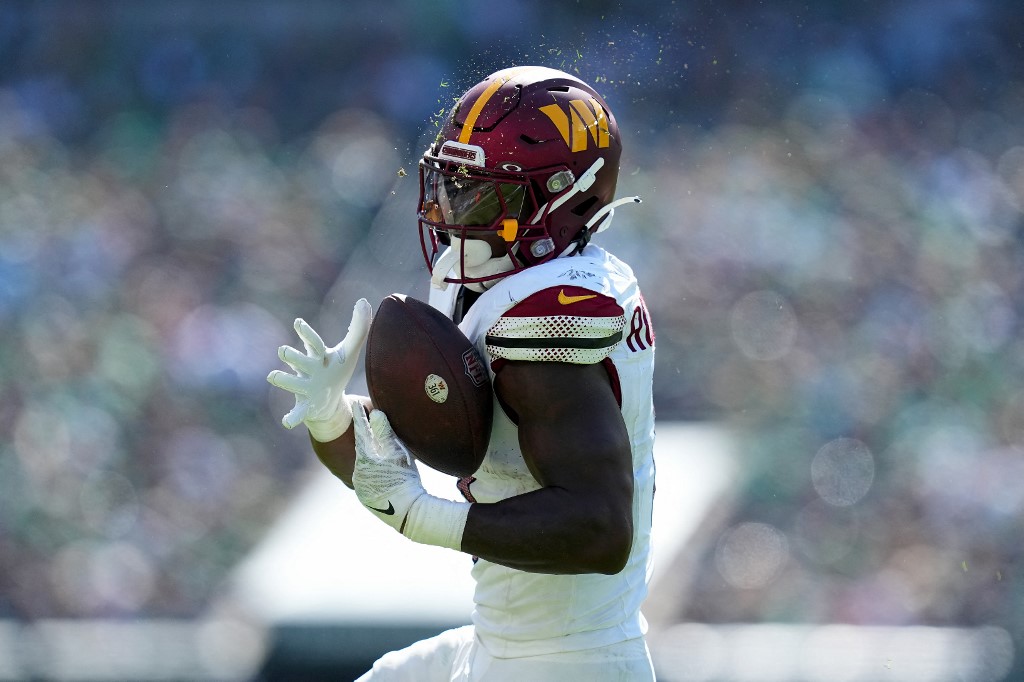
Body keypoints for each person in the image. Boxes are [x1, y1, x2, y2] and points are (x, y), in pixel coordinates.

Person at [268, 65, 657, 681]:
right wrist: (329, 415)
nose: (455, 211)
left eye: (486, 193)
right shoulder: (496, 275)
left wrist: (423, 517)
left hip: (565, 664)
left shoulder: (548, 317)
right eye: (453, 184)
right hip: (503, 642)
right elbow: (383, 473)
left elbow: (600, 530)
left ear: (564, 197)